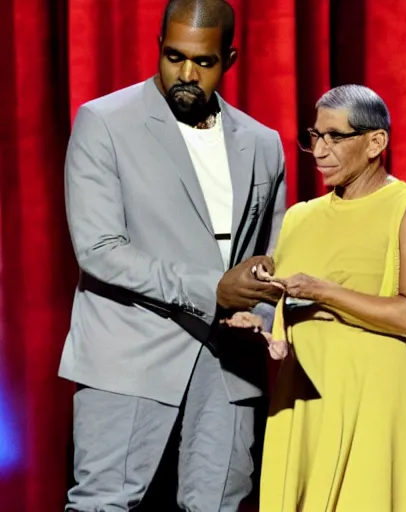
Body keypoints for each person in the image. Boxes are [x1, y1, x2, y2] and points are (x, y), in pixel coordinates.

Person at [58, 0, 286, 510]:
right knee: (103, 504)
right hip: (130, 350)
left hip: (229, 363)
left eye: (203, 62)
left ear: (229, 58)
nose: (186, 73)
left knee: (220, 505)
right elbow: (99, 249)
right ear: (158, 47)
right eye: (173, 56)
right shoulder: (105, 122)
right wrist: (213, 288)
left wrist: (262, 311)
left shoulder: (263, 143)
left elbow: (272, 254)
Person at [227, 85, 406, 511]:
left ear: (376, 142)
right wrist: (261, 326)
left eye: (335, 137)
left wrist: (323, 291)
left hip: (377, 405)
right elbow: (285, 324)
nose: (319, 150)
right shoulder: (300, 217)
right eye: (314, 136)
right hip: (306, 405)